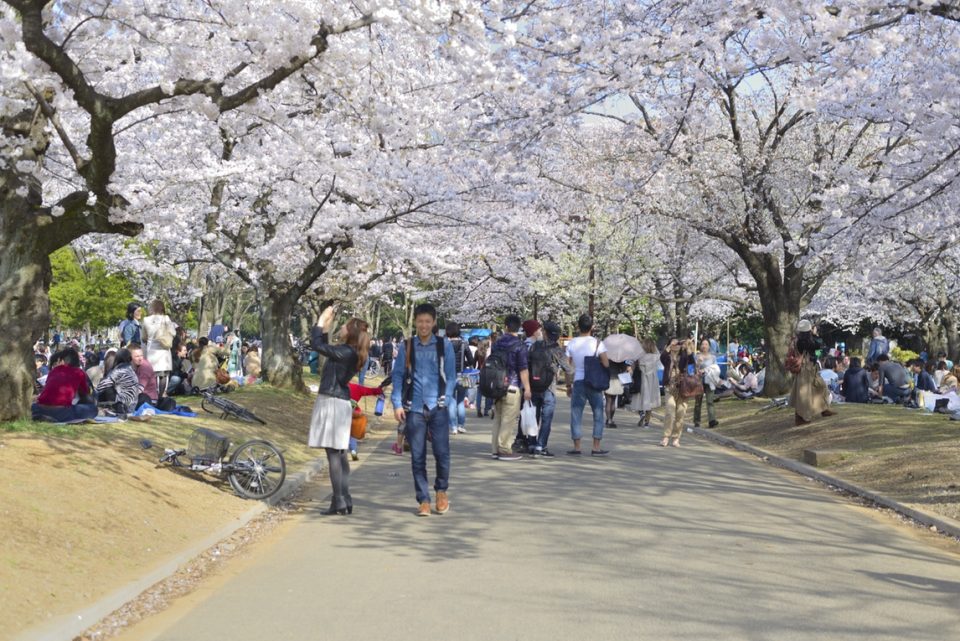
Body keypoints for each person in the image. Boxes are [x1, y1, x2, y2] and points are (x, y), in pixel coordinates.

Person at [391, 303, 456, 517]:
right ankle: (423, 499)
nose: (424, 325)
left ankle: (441, 491)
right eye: (420, 321)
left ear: (434, 322)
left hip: (438, 406)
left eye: (428, 321)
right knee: (417, 455)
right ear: (415, 322)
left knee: (441, 453)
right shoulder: (407, 346)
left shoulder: (443, 345)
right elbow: (398, 375)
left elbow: (451, 376)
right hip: (415, 408)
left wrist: (445, 401)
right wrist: (397, 403)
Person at [307, 306, 370, 516]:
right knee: (340, 454)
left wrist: (320, 321)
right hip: (339, 402)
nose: (341, 328)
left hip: (332, 403)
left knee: (334, 454)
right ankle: (344, 498)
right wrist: (325, 327)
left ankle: (339, 500)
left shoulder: (345, 352)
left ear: (350, 331)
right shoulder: (349, 352)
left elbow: (316, 345)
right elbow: (324, 347)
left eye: (344, 326)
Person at [566, 313, 610, 456]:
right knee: (598, 413)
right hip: (594, 382)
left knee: (576, 414)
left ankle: (577, 446)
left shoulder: (572, 343)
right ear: (592, 327)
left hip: (578, 382)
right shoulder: (598, 343)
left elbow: (568, 366)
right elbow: (606, 363)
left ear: (578, 326)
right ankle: (596, 447)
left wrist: (568, 385)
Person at [487, 315, 531, 461]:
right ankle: (504, 449)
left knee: (498, 418)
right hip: (512, 385)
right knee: (509, 419)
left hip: (497, 385)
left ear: (505, 327)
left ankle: (495, 449)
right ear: (518, 328)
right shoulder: (520, 345)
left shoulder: (497, 344)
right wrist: (527, 388)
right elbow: (523, 369)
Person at [529, 320, 573, 457]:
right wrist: (568, 384)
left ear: (545, 333)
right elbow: (569, 370)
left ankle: (531, 443)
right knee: (546, 418)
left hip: (533, 386)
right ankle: (541, 446)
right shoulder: (557, 350)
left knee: (533, 416)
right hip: (549, 388)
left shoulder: (534, 346)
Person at [32, 349, 97, 422]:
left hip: (40, 407)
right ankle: (54, 418)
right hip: (62, 411)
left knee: (33, 407)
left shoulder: (54, 370)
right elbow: (85, 392)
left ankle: (40, 416)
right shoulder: (79, 372)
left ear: (62, 360)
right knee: (93, 409)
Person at [789, 320, 833, 425]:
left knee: (819, 387)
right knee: (805, 393)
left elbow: (817, 350)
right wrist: (815, 335)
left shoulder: (797, 340)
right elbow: (820, 349)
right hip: (806, 369)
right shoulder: (805, 342)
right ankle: (801, 417)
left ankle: (823, 409)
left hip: (809, 369)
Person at [660, 338, 696, 447]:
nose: (676, 345)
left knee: (681, 413)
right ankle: (666, 436)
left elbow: (691, 361)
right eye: (673, 343)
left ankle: (676, 437)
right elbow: (662, 357)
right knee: (670, 412)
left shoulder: (684, 355)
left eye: (677, 343)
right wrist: (670, 346)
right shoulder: (667, 357)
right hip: (670, 387)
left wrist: (687, 346)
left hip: (683, 388)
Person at [141, 299, 176, 397]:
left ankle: (154, 395)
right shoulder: (166, 319)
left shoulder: (146, 320)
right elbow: (173, 333)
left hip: (152, 351)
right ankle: (162, 395)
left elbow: (143, 337)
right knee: (164, 374)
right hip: (164, 350)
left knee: (153, 374)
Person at [96, 349, 148, 414]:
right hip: (132, 405)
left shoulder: (120, 371)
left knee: (106, 387)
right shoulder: (130, 370)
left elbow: (102, 386)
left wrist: (93, 395)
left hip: (123, 405)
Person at [445, 321, 475, 435]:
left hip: (449, 376)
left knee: (451, 401)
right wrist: (465, 363)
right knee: (461, 401)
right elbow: (471, 360)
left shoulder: (445, 344)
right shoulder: (464, 344)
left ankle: (453, 427)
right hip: (462, 376)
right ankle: (461, 425)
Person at [629, 338, 661, 427]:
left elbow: (632, 365)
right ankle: (647, 422)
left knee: (640, 398)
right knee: (650, 400)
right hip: (653, 380)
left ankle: (641, 413)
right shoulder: (656, 356)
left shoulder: (639, 356)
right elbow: (660, 362)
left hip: (642, 379)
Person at [693, 338, 718, 428]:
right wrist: (698, 364)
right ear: (700, 346)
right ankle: (697, 421)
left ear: (709, 346)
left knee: (710, 401)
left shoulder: (713, 357)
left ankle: (712, 420)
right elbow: (695, 370)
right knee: (698, 401)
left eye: (706, 344)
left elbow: (716, 368)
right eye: (703, 344)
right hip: (699, 381)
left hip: (710, 381)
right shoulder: (697, 356)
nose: (704, 346)